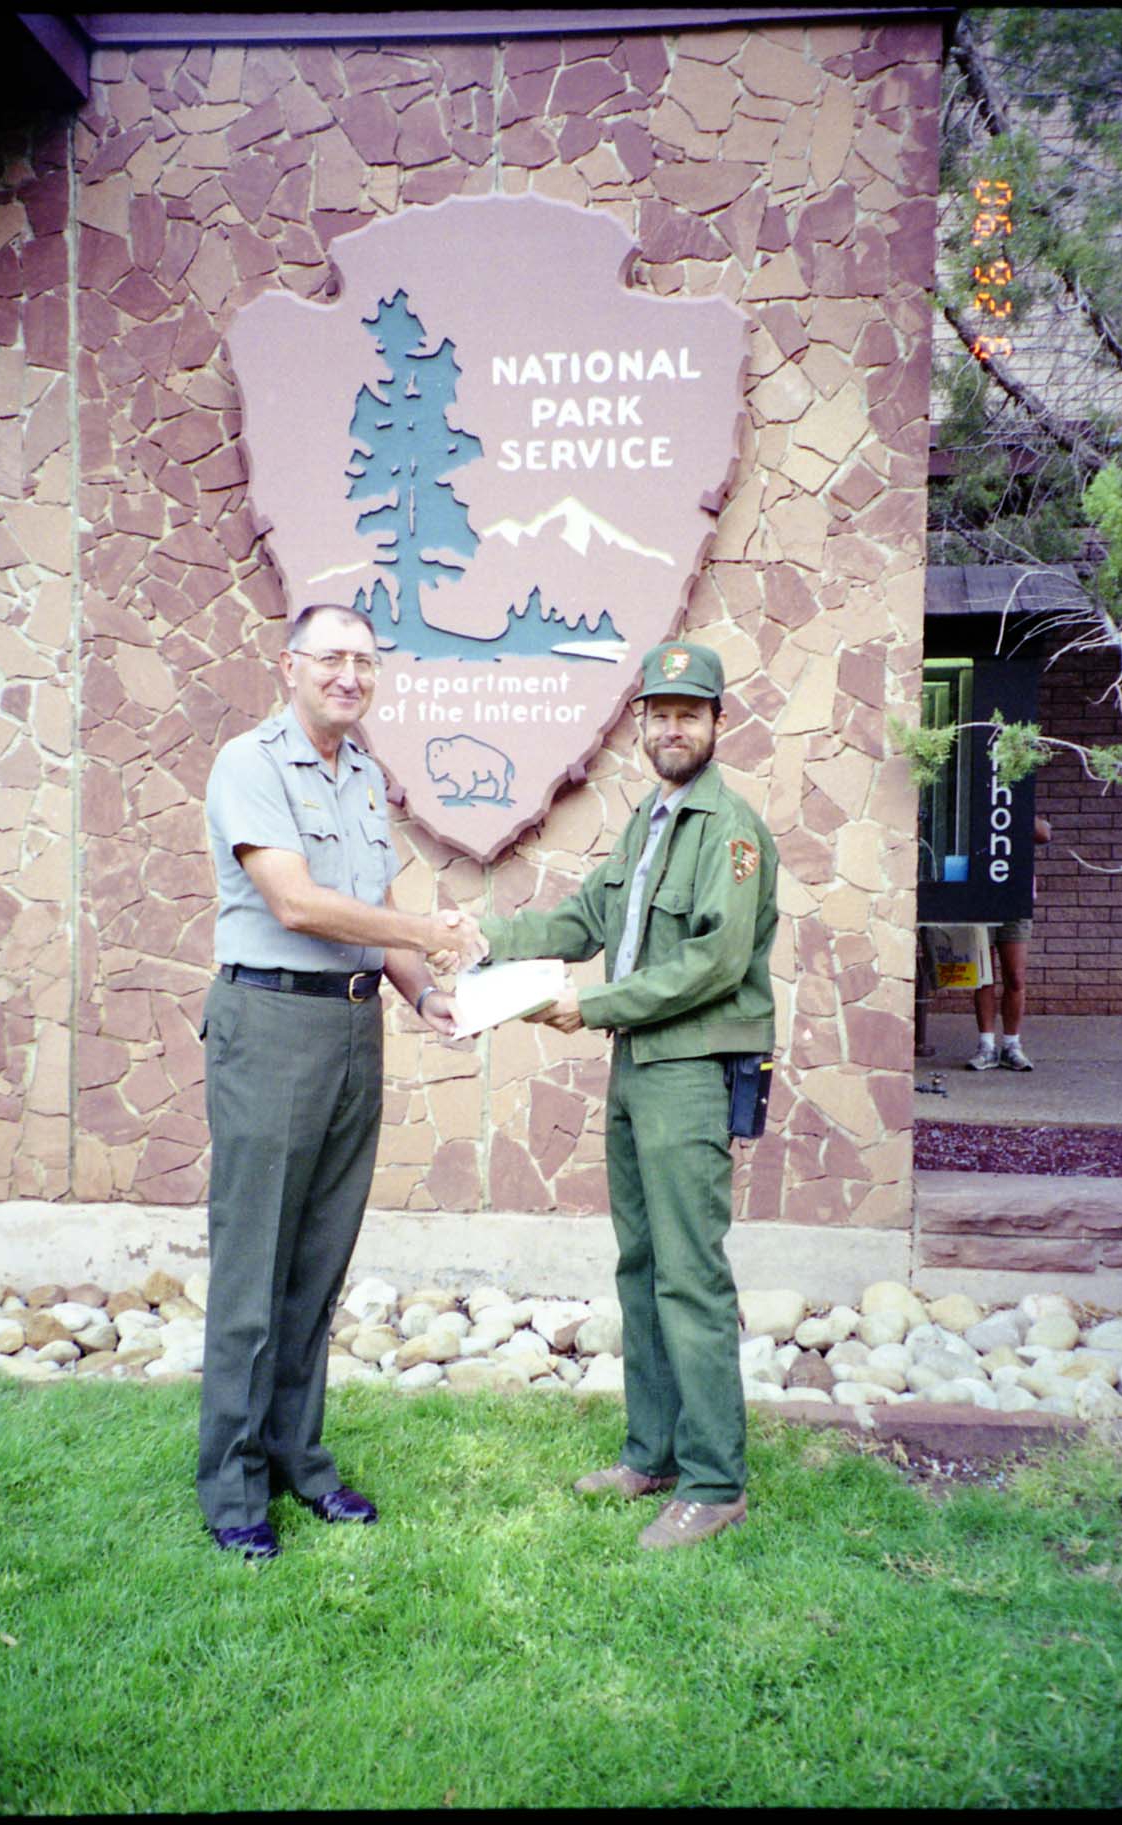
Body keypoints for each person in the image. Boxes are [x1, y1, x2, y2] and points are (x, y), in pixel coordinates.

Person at [468, 640, 778, 1551]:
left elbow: (715, 962)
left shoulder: (730, 830)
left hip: (688, 1068)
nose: (673, 726)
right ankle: (654, 1453)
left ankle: (717, 1481)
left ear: (720, 723)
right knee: (640, 1264)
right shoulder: (649, 822)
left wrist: (591, 1002)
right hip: (638, 1066)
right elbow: (581, 920)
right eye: (660, 711)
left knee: (690, 1272)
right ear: (640, 723)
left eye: (691, 711)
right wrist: (478, 938)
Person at [198, 602, 479, 1560]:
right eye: (332, 658)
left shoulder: (361, 774)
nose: (350, 675)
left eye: (365, 660)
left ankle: (297, 1458)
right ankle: (234, 1490)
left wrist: (420, 992)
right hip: (271, 1023)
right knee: (254, 1265)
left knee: (318, 1261)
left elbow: (376, 908)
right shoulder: (250, 762)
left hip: (353, 1026)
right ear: (291, 666)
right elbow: (295, 901)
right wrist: (430, 935)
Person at [967, 814, 1052, 1072]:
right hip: (981, 895)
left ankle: (1012, 1045)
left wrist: (1014, 805)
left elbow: (1044, 833)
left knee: (1015, 976)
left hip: (1015, 897)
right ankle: (986, 1046)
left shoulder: (1017, 800)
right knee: (984, 975)